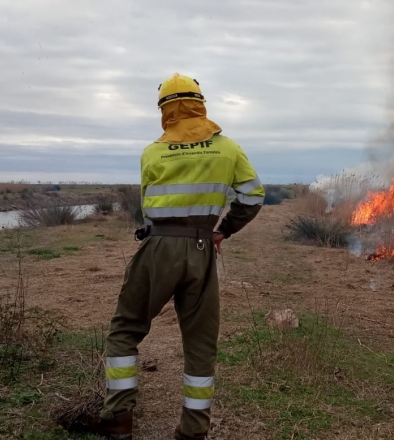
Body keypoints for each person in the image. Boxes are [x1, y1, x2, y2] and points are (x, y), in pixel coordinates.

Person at [76, 73, 265, 440]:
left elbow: (148, 209)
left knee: (125, 329)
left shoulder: (152, 151)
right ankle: (193, 430)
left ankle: (118, 417)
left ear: (165, 109)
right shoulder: (227, 148)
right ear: (200, 104)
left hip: (159, 246)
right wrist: (222, 230)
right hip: (201, 249)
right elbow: (253, 197)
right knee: (200, 342)